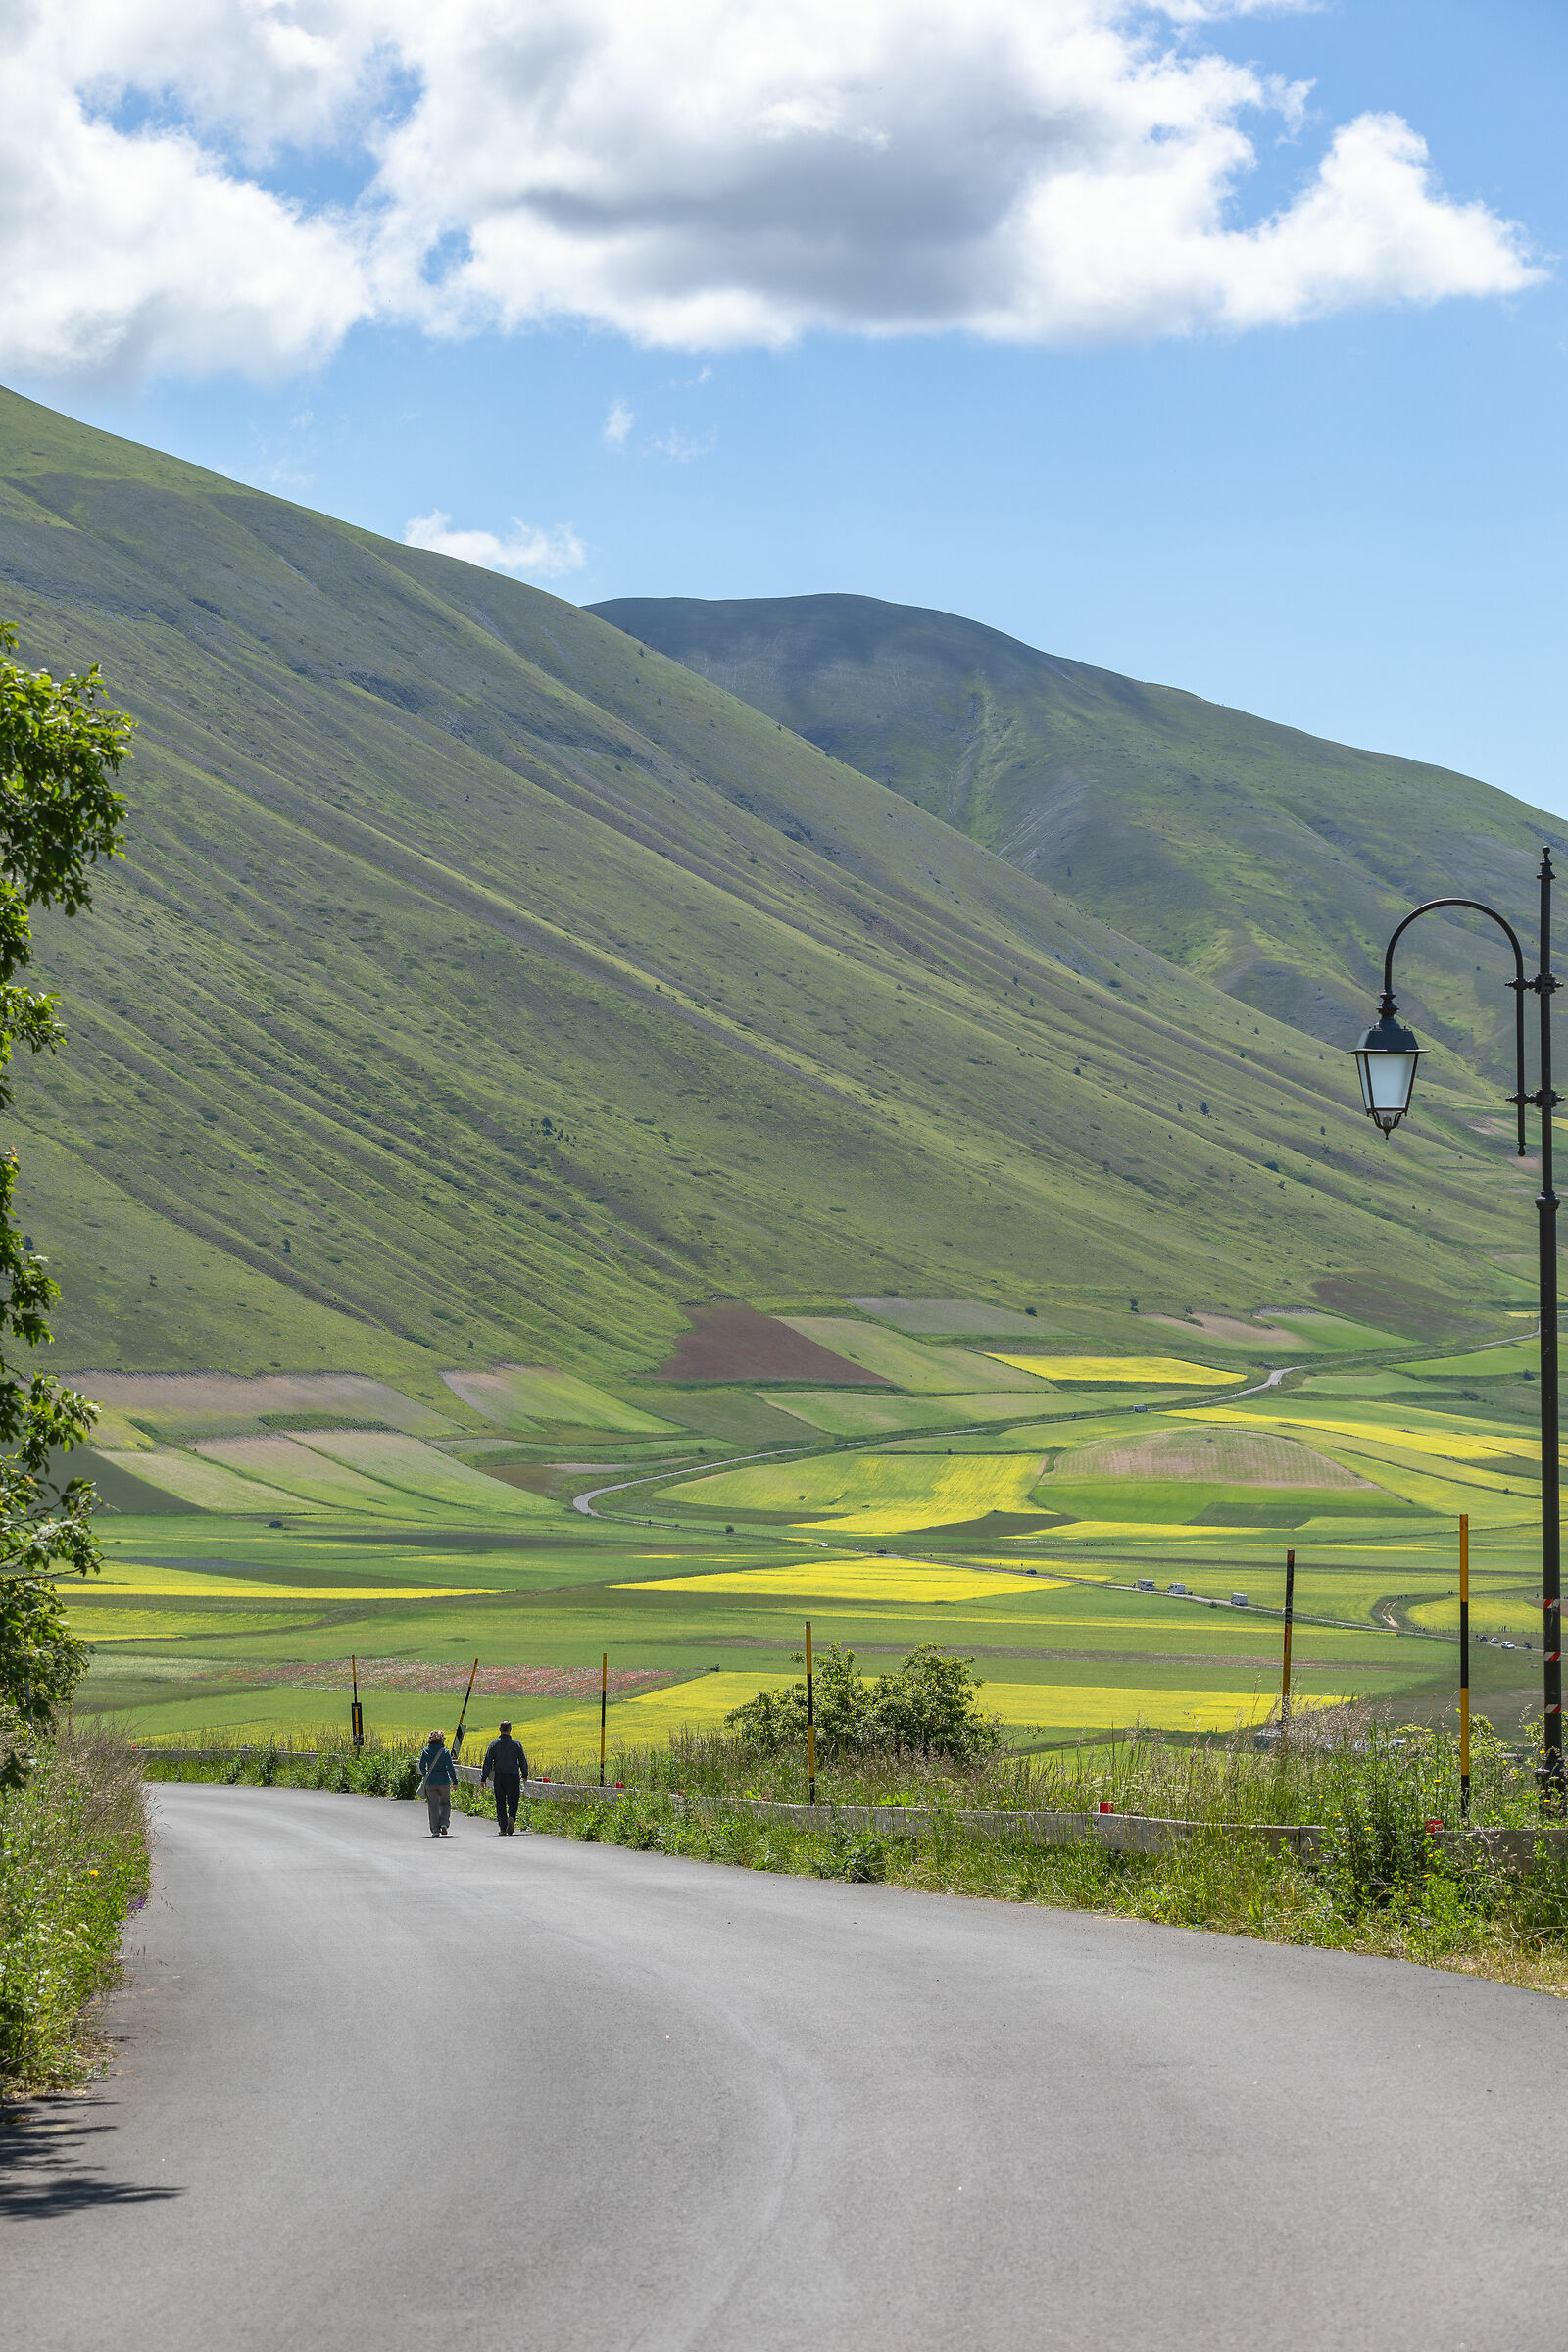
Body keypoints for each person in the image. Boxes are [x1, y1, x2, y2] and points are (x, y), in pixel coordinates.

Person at [480, 1720, 530, 1836]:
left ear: (500, 1729)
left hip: (499, 1776)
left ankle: (503, 1827)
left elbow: (487, 1762)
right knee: (513, 1800)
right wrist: (525, 1774)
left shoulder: (494, 1744)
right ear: (510, 1730)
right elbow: (522, 1760)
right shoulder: (516, 1744)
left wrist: (483, 1778)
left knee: (500, 1801)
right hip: (513, 1775)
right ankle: (511, 1816)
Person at [417, 1728, 459, 1838]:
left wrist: (426, 1773)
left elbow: (421, 1766)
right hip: (444, 1781)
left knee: (433, 1806)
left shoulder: (426, 1751)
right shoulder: (445, 1752)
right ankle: (444, 1822)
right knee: (445, 1803)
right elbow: (450, 1768)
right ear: (442, 1740)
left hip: (431, 1782)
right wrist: (454, 1781)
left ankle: (435, 1830)